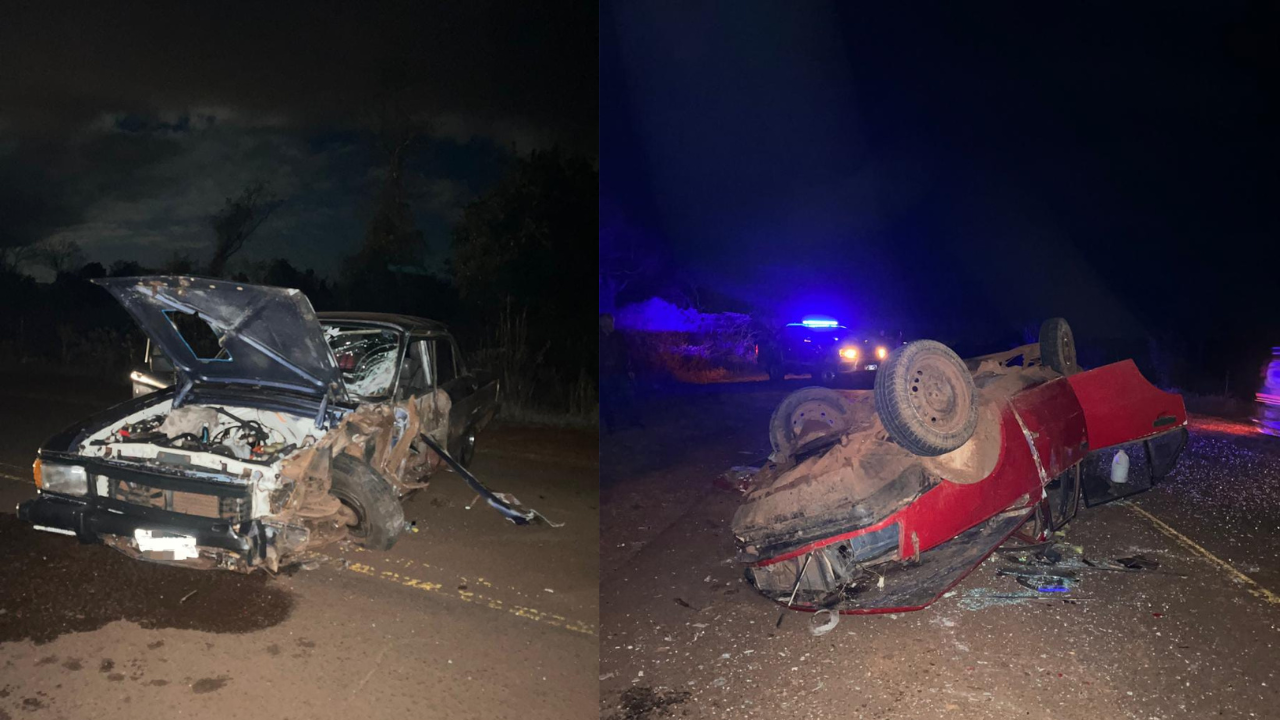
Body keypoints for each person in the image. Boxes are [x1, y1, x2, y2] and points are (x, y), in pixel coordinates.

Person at [600, 314, 642, 433]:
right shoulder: (600, 337)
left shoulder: (618, 336)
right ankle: (611, 425)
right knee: (608, 400)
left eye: (611, 322)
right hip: (605, 373)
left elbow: (626, 354)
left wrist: (630, 369)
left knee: (629, 396)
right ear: (602, 323)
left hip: (620, 371)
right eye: (607, 322)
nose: (611, 325)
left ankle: (634, 421)